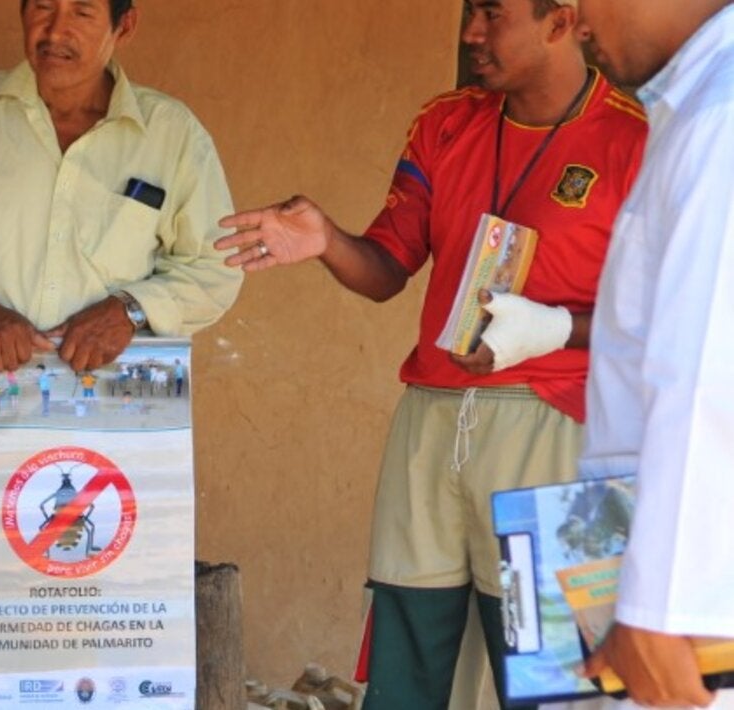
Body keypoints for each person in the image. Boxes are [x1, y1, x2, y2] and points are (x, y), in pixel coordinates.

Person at [217, 1, 647, 707]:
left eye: (490, 12)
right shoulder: (447, 122)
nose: (470, 33)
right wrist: (326, 239)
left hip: (555, 428)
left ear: (561, 20)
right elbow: (387, 266)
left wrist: (549, 329)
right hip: (431, 420)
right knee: (409, 656)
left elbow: (667, 321)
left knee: (548, 674)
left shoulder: (636, 142)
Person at [0, 0, 241, 375]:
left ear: (124, 26)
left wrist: (130, 310)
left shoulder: (172, 134)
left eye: (82, 11)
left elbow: (216, 267)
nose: (55, 31)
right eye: (43, 7)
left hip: (118, 416)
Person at [567, 1, 734, 708]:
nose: (571, 20)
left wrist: (662, 609)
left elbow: (706, 370)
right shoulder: (695, 102)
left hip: (694, 617)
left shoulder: (721, 116)